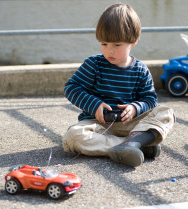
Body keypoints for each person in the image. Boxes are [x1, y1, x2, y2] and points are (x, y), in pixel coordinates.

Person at [63, 4, 175, 167]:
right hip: (97, 124)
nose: (109, 51)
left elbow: (150, 100)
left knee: (166, 113)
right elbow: (71, 88)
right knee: (73, 136)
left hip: (130, 125)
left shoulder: (140, 70)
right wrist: (94, 105)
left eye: (117, 45)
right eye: (104, 44)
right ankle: (135, 145)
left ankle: (132, 143)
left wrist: (136, 108)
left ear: (133, 41)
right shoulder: (94, 64)